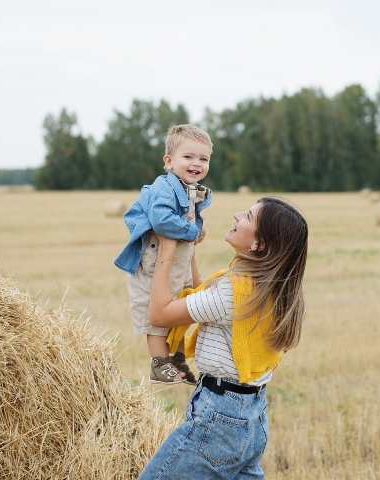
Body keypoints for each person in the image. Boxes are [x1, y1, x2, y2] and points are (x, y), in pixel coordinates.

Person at [138, 197, 308, 479]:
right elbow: (205, 297)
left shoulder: (234, 293)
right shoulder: (270, 290)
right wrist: (188, 250)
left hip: (219, 419)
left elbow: (159, 314)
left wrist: (166, 249)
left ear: (259, 244)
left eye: (248, 217)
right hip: (251, 418)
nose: (237, 215)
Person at [114, 124, 213, 384]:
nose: (197, 163)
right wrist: (192, 232)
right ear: (169, 161)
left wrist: (196, 230)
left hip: (178, 260)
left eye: (204, 158)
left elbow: (192, 221)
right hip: (154, 262)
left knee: (184, 305)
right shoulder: (163, 189)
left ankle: (177, 357)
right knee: (156, 312)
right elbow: (161, 221)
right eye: (188, 157)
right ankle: (159, 364)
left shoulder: (191, 190)